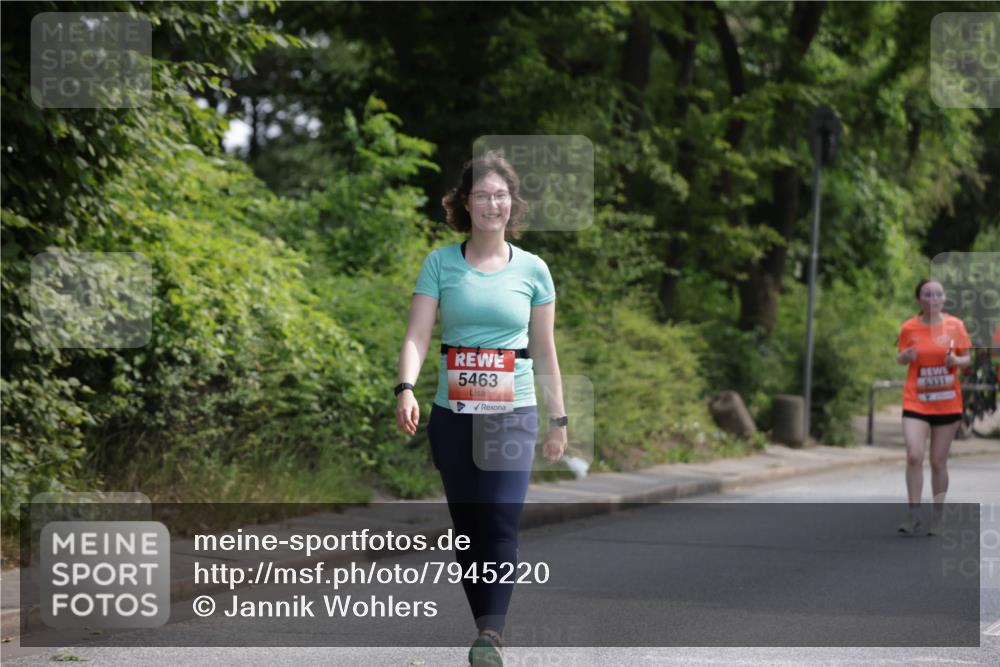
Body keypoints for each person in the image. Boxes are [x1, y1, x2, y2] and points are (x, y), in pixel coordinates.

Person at [395, 151, 568, 667]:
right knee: (468, 526)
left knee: (499, 519)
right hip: (453, 415)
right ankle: (482, 625)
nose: (492, 204)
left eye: (500, 195)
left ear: (511, 204)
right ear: (464, 204)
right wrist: (405, 387)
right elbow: (418, 334)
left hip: (513, 411)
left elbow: (544, 350)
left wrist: (558, 419)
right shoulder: (441, 263)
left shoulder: (534, 270)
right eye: (481, 195)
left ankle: (491, 635)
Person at [895, 278, 971, 536]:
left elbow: (967, 358)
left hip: (947, 400)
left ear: (944, 298)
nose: (933, 299)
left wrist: (956, 360)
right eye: (927, 294)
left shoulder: (955, 326)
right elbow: (900, 356)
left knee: (938, 461)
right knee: (914, 455)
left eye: (937, 294)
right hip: (916, 399)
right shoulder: (909, 327)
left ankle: (938, 517)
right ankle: (913, 515)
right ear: (919, 299)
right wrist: (905, 357)